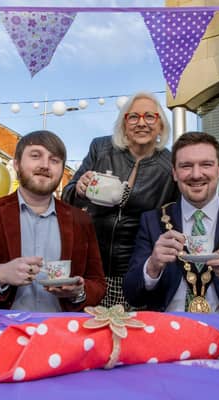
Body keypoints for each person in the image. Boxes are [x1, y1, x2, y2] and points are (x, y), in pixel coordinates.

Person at [0, 130, 106, 311]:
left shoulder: (81, 221)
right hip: (2, 334)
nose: (45, 165)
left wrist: (79, 292)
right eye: (35, 156)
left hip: (60, 334)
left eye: (54, 160)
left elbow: (98, 286)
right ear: (17, 164)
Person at [123, 131, 219, 312]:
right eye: (186, 166)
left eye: (206, 164)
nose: (196, 175)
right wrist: (152, 266)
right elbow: (132, 296)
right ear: (174, 172)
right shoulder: (152, 221)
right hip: (170, 332)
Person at [61, 92, 178, 308]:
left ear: (160, 126)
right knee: (93, 334)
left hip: (139, 272)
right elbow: (66, 196)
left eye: (150, 117)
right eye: (133, 117)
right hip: (93, 269)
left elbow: (177, 216)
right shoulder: (101, 148)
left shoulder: (169, 166)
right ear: (124, 125)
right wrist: (78, 189)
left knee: (132, 337)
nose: (141, 123)